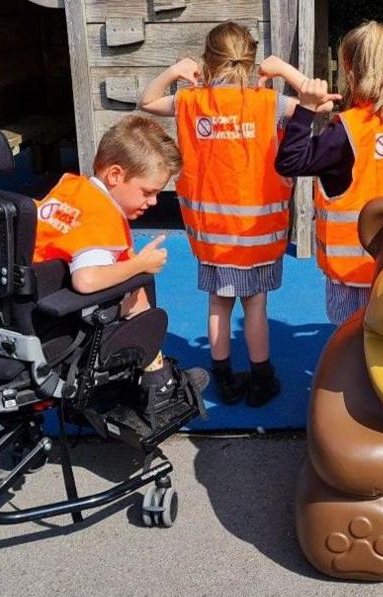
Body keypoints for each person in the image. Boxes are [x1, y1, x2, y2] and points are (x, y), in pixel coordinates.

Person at [139, 21, 314, 407]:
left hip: (210, 234)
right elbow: (317, 102)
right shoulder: (271, 105)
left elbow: (146, 101)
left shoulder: (189, 102)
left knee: (218, 302)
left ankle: (224, 376)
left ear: (206, 60)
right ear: (251, 60)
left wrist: (173, 72)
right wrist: (284, 70)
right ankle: (261, 377)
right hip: (259, 234)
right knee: (255, 304)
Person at [33, 115, 207, 429]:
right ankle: (159, 381)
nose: (154, 201)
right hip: (67, 321)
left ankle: (151, 373)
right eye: (147, 191)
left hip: (35, 307)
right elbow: (85, 280)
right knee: (141, 289)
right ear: (115, 175)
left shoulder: (71, 189)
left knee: (132, 279)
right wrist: (139, 265)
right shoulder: (102, 217)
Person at [274, 21, 383, 325]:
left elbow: (289, 162)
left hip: (355, 272)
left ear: (350, 71)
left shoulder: (347, 130)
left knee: (354, 348)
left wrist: (305, 109)